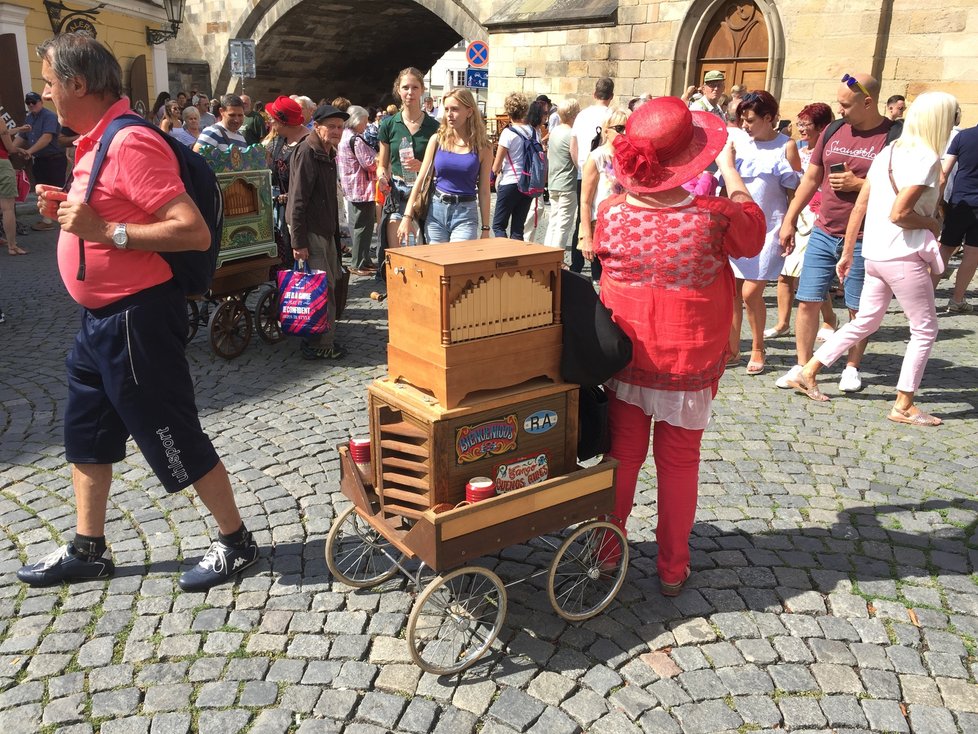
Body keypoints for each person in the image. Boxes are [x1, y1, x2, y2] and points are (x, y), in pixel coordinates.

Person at [21, 33, 258, 592]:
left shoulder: (129, 143)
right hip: (98, 320)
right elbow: (105, 212)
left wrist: (104, 230)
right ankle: (88, 547)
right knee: (86, 434)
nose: (46, 93)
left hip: (137, 319)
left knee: (172, 431)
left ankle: (236, 541)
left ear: (79, 84)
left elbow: (190, 230)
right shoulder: (94, 141)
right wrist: (69, 209)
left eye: (51, 82)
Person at [593, 96, 764, 596]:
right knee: (679, 463)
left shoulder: (612, 214)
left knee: (622, 456)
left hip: (627, 357)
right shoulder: (716, 216)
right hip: (688, 358)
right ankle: (671, 569)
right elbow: (754, 238)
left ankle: (605, 556)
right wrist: (730, 171)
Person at [787, 92, 956, 426]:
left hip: (875, 252)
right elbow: (900, 213)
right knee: (925, 329)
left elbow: (862, 204)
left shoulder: (890, 151)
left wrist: (850, 249)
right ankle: (904, 404)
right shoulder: (925, 158)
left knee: (865, 320)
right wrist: (933, 223)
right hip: (901, 255)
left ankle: (808, 370)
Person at [777, 73, 897, 393]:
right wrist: (789, 219)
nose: (839, 110)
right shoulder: (833, 129)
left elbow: (905, 187)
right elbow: (812, 177)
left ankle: (852, 366)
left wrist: (861, 186)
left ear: (867, 102)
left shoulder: (893, 135)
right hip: (823, 229)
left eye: (845, 104)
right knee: (808, 299)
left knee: (858, 308)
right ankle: (802, 366)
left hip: (863, 237)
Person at [726, 91, 801, 375]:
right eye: (742, 120)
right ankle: (732, 349)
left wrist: (790, 223)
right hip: (739, 226)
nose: (745, 125)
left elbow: (795, 191)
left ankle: (758, 347)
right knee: (732, 291)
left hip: (771, 227)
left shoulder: (787, 146)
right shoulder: (739, 143)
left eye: (750, 120)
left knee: (751, 292)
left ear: (769, 118)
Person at [767, 102, 837, 341]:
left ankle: (829, 319)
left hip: (818, 217)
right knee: (785, 272)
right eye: (800, 124)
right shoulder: (796, 148)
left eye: (806, 125)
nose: (801, 129)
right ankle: (782, 323)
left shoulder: (831, 152)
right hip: (795, 214)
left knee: (809, 273)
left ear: (821, 127)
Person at [287, 104, 349, 360]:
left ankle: (320, 334)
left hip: (325, 229)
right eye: (332, 126)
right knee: (322, 289)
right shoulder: (309, 151)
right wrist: (299, 241)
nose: (336, 131)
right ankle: (321, 344)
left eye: (340, 127)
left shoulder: (326, 151)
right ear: (318, 126)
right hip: (311, 230)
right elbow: (298, 199)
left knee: (330, 284)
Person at [398, 88, 492, 244]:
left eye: (455, 109)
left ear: (469, 112)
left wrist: (486, 229)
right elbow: (420, 179)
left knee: (457, 264)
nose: (449, 114)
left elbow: (484, 191)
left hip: (465, 213)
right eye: (447, 109)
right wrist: (407, 216)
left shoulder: (484, 147)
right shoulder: (437, 140)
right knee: (436, 263)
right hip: (436, 211)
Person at [376, 67, 439, 255]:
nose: (410, 92)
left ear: (422, 90)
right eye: (405, 87)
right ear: (398, 90)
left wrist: (424, 166)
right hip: (397, 190)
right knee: (397, 252)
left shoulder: (434, 127)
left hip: (423, 192)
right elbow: (382, 164)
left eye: (414, 87)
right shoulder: (388, 124)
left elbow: (440, 166)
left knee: (420, 249)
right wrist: (381, 178)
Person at [935, 107, 978, 312]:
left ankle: (924, 300)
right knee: (972, 253)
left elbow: (944, 172)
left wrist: (937, 201)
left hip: (959, 202)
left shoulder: (963, 137)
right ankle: (957, 299)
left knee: (944, 249)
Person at [579, 108, 630, 281]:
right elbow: (585, 201)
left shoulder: (630, 157)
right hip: (601, 228)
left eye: (628, 128)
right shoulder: (597, 157)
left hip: (626, 229)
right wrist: (587, 237)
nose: (625, 133)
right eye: (620, 128)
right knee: (602, 283)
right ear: (606, 130)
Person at [571, 78, 615, 273]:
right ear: (611, 96)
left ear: (594, 93)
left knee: (583, 216)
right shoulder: (612, 115)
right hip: (606, 172)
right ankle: (598, 266)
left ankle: (577, 264)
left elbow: (573, 146)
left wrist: (581, 166)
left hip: (584, 170)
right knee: (599, 216)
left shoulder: (582, 115)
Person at [265, 95, 310, 269]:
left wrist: (290, 195)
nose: (270, 123)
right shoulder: (278, 140)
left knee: (303, 262)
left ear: (283, 122)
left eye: (272, 119)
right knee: (284, 261)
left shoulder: (308, 143)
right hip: (282, 211)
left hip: (303, 212)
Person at [338, 105, 378, 274]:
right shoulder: (356, 139)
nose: (366, 124)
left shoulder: (344, 136)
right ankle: (358, 263)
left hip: (351, 187)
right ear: (357, 121)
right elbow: (370, 164)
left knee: (359, 225)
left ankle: (364, 260)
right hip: (361, 188)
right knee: (363, 226)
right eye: (364, 121)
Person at [18, 91, 67, 231]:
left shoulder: (49, 116)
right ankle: (47, 220)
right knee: (43, 191)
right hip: (40, 160)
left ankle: (68, 219)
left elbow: (47, 137)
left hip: (54, 159)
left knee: (58, 190)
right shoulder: (29, 118)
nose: (31, 105)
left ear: (41, 101)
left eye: (34, 102)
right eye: (28, 103)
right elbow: (21, 137)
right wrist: (10, 149)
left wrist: (29, 151)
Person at [491, 92, 536, 240]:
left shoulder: (508, 133)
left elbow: (496, 166)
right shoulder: (534, 132)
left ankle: (503, 258)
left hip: (510, 181)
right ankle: (517, 261)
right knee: (518, 228)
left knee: (499, 225)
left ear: (508, 111)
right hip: (528, 183)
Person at [543, 97, 580, 250]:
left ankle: (546, 252)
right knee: (564, 223)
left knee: (554, 219)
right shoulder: (571, 134)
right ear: (573, 115)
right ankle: (557, 256)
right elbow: (575, 158)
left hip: (553, 181)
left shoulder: (555, 131)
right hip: (567, 182)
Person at [1, 120, 28, 255]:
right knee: (7, 208)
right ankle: (12, 246)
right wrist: (20, 149)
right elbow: (10, 148)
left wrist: (19, 128)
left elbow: (3, 132)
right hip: (2, 164)